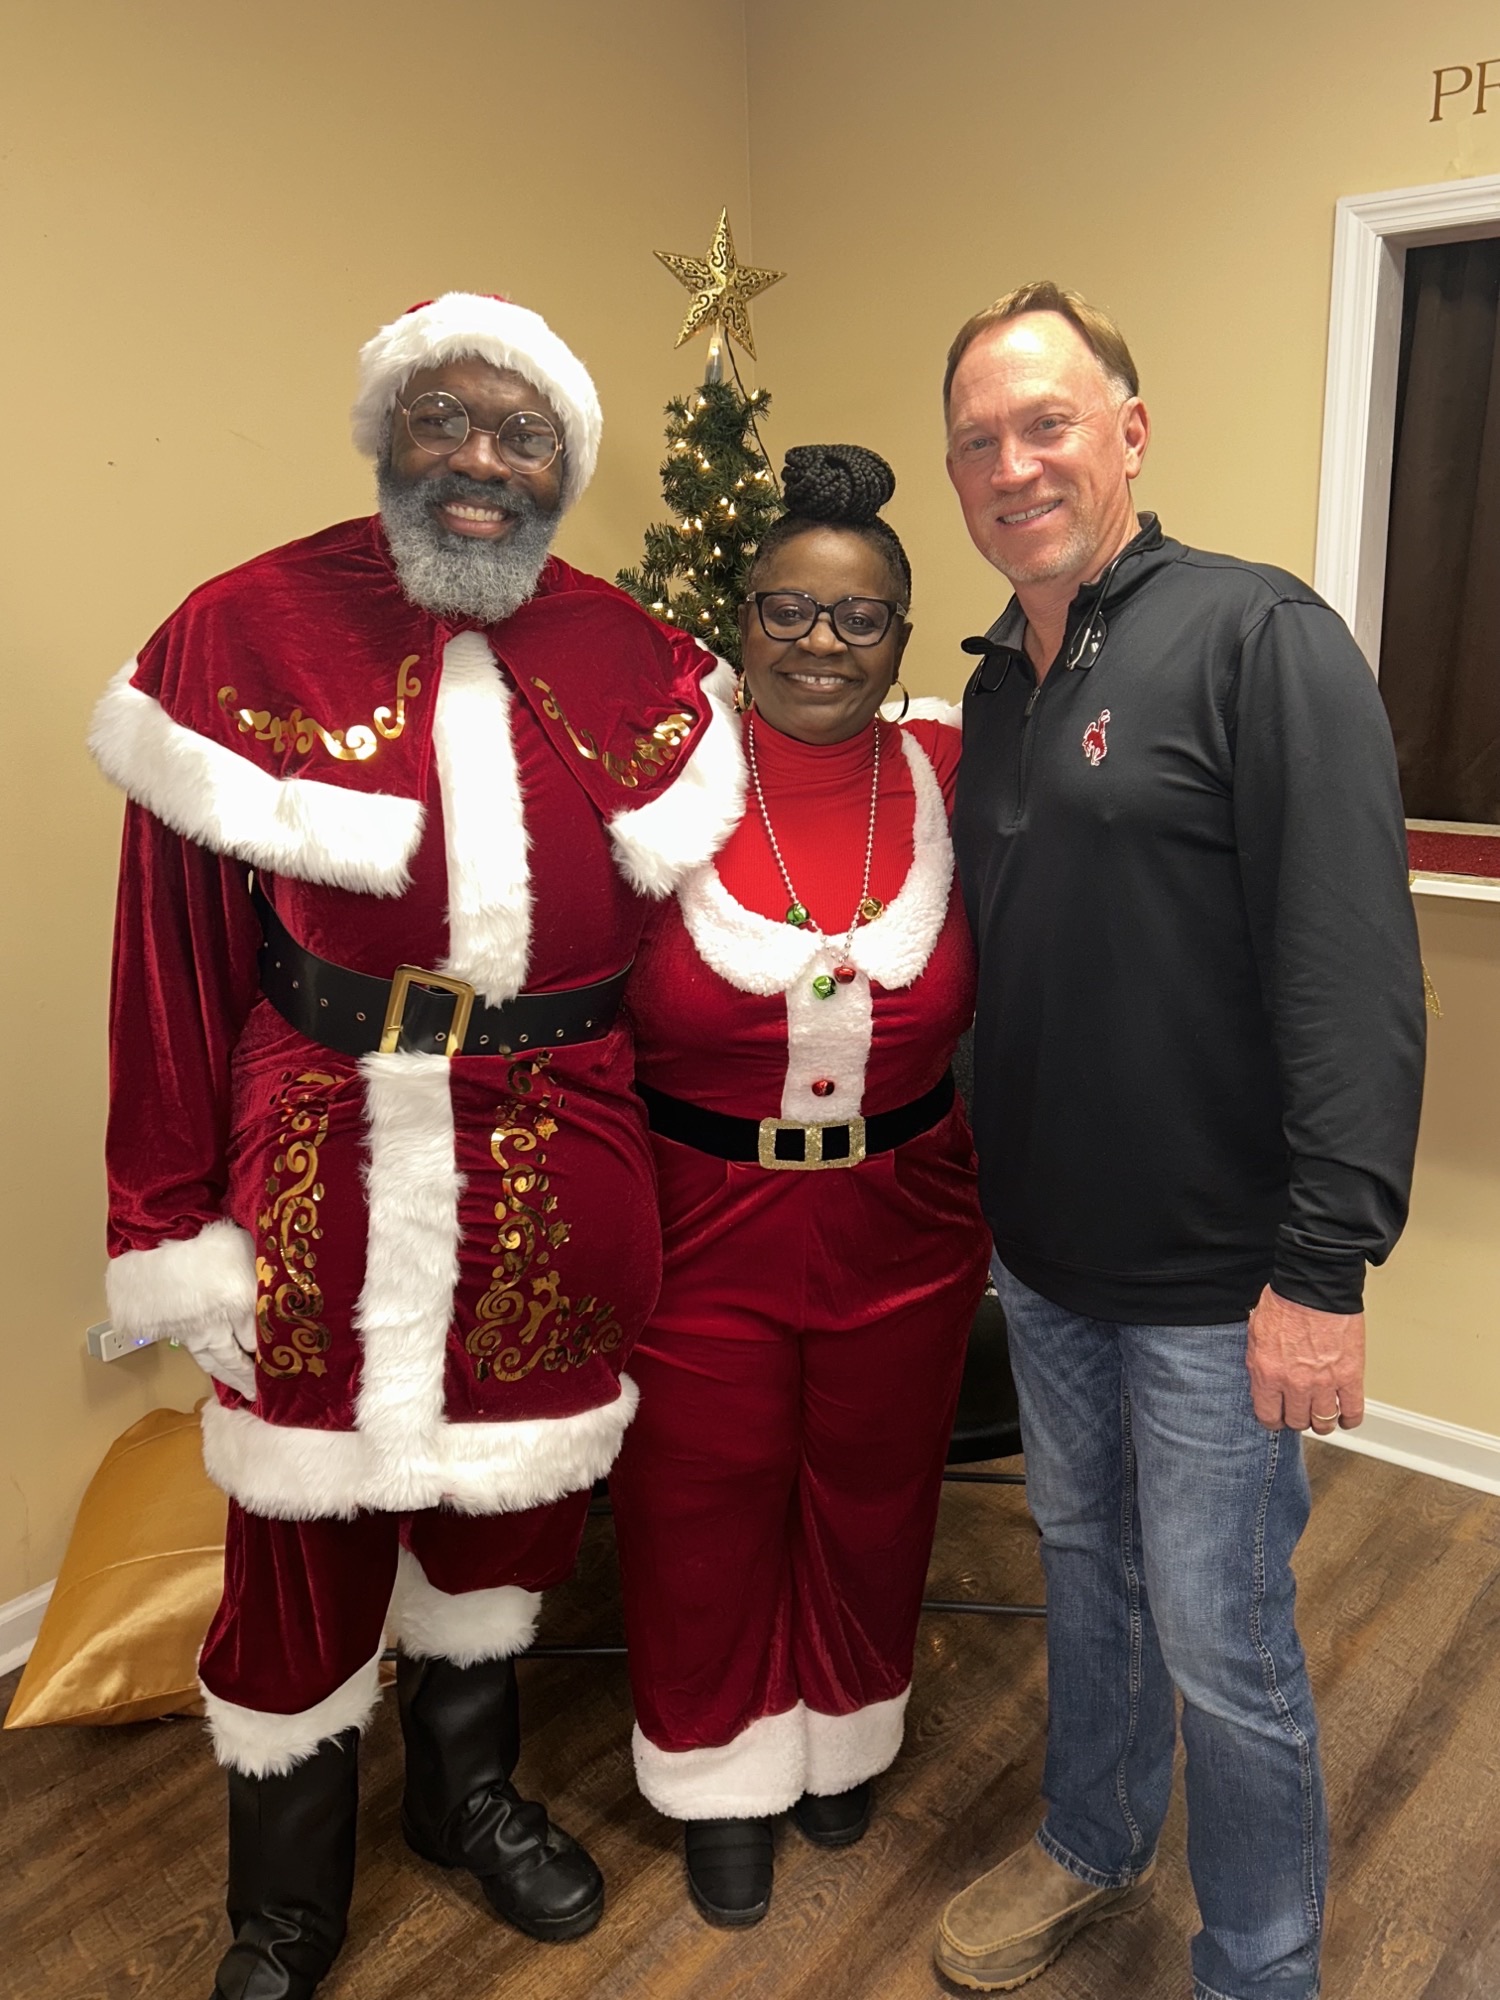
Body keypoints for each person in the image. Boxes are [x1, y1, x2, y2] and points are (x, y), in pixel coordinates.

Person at [88, 291, 739, 2000]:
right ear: (386, 434)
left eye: (520, 437)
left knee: (503, 1518)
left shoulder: (645, 664)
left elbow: (692, 978)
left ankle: (470, 1800)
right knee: (300, 1534)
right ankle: (283, 1908)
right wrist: (169, 1220)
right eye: (443, 421)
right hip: (318, 1153)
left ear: (563, 472)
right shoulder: (239, 634)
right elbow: (168, 963)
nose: (477, 462)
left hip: (560, 1150)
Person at [932, 281, 1426, 1999]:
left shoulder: (1256, 636)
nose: (1015, 464)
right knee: (1087, 1583)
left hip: (1225, 1282)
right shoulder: (997, 686)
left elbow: (1352, 974)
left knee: (1226, 1642)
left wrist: (1322, 1265)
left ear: (1128, 433)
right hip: (1051, 1261)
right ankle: (1089, 1841)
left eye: (1047, 421)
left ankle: (1261, 1962)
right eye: (981, 441)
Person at [609, 444, 992, 1927]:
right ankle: (716, 1777)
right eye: (788, 609)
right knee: (702, 1503)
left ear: (900, 638)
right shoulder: (658, 785)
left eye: (858, 619)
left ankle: (846, 1736)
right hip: (701, 1224)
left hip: (908, 1218)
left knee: (876, 1494)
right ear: (740, 617)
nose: (819, 644)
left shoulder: (949, 768)